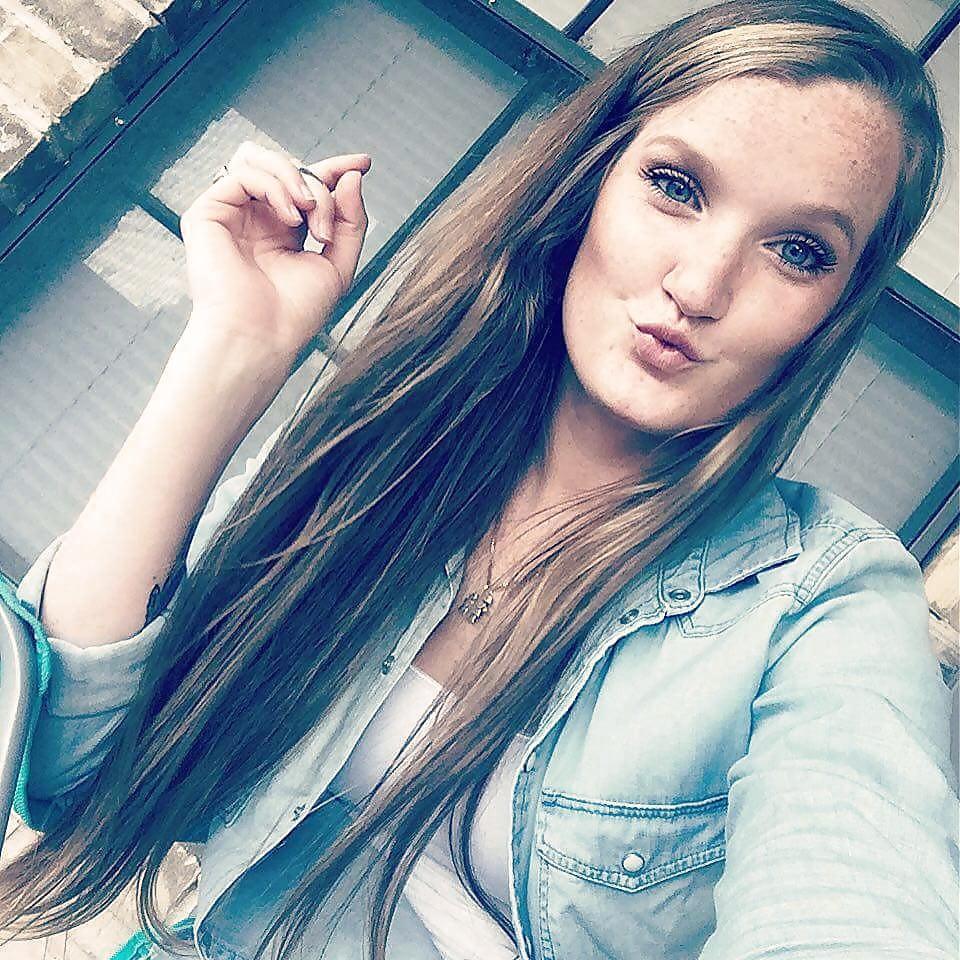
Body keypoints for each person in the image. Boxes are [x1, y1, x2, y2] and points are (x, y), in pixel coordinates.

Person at [0, 0, 956, 958]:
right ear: (591, 178)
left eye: (799, 252)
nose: (700, 287)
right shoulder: (401, 445)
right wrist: (234, 348)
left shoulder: (823, 602)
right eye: (676, 187)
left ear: (832, 312)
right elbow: (68, 768)